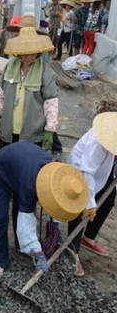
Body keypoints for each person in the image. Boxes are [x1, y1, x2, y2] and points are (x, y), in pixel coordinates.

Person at [0, 141, 89, 276]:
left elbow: (54, 205)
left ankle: (21, 246)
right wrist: (37, 250)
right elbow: (26, 218)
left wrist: (55, 226)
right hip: (2, 169)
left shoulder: (60, 176)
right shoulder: (31, 184)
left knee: (20, 207)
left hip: (22, 167)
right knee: (2, 215)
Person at [67, 112, 117, 277]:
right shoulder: (97, 142)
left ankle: (88, 238)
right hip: (81, 170)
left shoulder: (112, 140)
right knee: (80, 208)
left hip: (104, 168)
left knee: (108, 201)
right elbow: (86, 173)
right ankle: (71, 251)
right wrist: (89, 203)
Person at [0, 27, 57, 153]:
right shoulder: (9, 68)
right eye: (25, 53)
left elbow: (51, 102)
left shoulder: (46, 72)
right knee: (7, 164)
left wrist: (50, 129)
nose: (29, 56)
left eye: (33, 52)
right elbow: (2, 94)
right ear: (18, 52)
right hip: (8, 128)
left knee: (27, 168)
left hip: (32, 130)